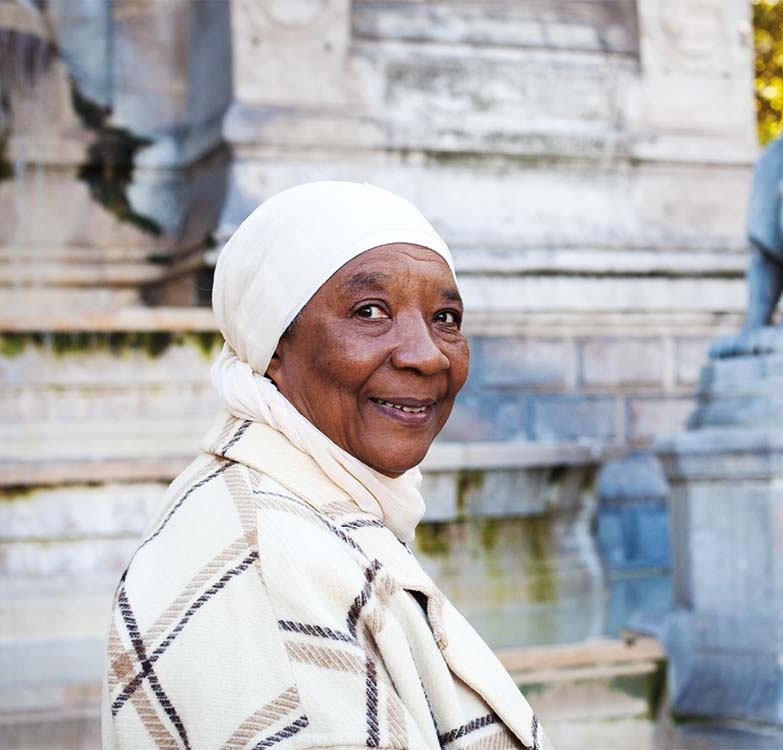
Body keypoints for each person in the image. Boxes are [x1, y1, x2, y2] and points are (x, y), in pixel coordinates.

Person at [102, 182, 551, 750]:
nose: (427, 354)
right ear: (274, 345)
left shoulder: (296, 507)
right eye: (370, 311)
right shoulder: (265, 558)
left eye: (445, 316)